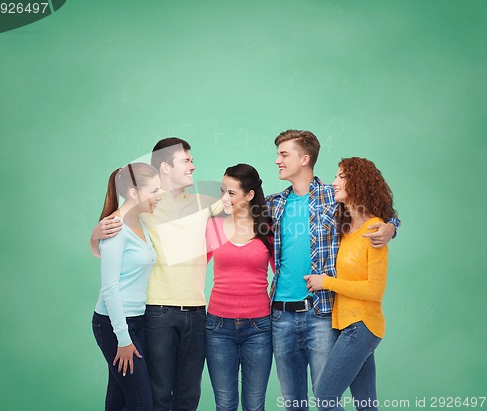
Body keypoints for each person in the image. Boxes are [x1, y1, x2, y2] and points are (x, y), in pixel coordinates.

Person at [266, 130, 400, 411]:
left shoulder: (332, 196)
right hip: (280, 315)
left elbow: (381, 216)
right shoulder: (273, 203)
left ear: (305, 159)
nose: (277, 160)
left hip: (321, 313)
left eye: (283, 154)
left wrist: (391, 228)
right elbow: (238, 207)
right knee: (293, 403)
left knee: (326, 398)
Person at [90, 138, 222, 411]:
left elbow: (242, 204)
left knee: (188, 395)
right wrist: (94, 237)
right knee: (155, 396)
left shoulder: (203, 203)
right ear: (164, 167)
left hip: (197, 311)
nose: (193, 167)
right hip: (157, 311)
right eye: (186, 161)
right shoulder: (145, 204)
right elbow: (108, 245)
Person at [304, 157, 395, 411]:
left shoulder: (374, 229)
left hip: (362, 326)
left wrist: (327, 282)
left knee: (324, 397)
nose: (334, 182)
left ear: (359, 182)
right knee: (366, 405)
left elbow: (374, 291)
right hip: (348, 326)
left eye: (341, 177)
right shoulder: (345, 226)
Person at [92, 163, 161, 411]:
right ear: (133, 193)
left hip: (136, 320)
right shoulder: (115, 227)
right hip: (113, 325)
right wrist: (123, 338)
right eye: (154, 190)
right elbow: (110, 288)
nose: (159, 196)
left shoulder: (140, 224)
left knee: (120, 398)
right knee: (141, 402)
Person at [205, 164, 274, 411]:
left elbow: (283, 274)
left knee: (254, 405)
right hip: (217, 327)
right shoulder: (212, 226)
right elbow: (191, 269)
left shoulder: (267, 228)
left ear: (250, 194)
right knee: (224, 404)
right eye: (223, 191)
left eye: (231, 193)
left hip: (259, 328)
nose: (224, 198)